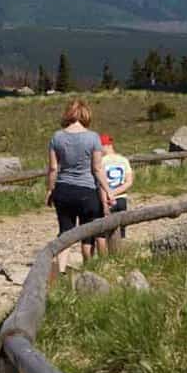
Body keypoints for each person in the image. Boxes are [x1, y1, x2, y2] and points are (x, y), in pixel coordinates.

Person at [46, 99, 114, 275]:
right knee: (88, 232)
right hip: (87, 191)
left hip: (63, 190)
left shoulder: (57, 137)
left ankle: (59, 271)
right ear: (85, 115)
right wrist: (108, 191)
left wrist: (50, 190)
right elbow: (97, 168)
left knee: (65, 233)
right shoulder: (93, 138)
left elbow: (53, 168)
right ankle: (90, 270)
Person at [98, 133, 135, 249]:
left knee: (104, 233)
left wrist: (109, 195)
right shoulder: (123, 160)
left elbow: (100, 183)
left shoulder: (101, 162)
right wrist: (116, 192)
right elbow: (129, 182)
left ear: (105, 146)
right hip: (122, 198)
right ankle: (118, 255)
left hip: (107, 199)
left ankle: (109, 258)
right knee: (121, 231)